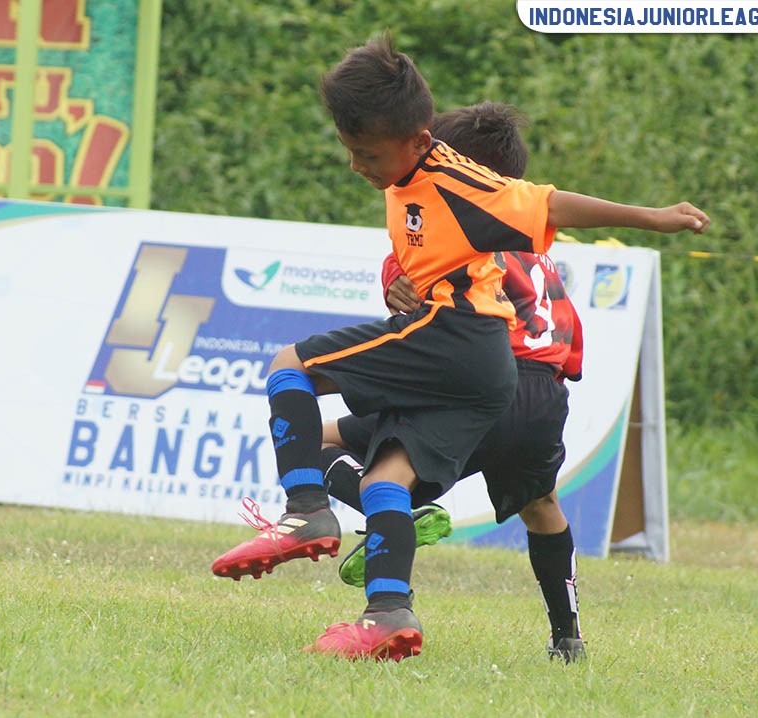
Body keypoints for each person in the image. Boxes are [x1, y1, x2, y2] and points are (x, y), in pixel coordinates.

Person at [211, 34, 709, 663]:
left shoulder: (464, 188)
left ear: (429, 144)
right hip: (536, 390)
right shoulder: (433, 197)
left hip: (466, 348)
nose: (357, 166)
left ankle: (310, 510)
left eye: (366, 154)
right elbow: (564, 343)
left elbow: (549, 204)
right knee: (437, 486)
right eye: (351, 150)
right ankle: (409, 614)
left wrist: (654, 216)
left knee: (296, 377)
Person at [320, 101, 590, 663]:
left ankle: (391, 542)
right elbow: (568, 340)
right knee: (542, 505)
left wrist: (393, 280)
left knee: (321, 440)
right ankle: (567, 637)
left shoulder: (457, 226)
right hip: (545, 395)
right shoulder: (538, 248)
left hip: (480, 383)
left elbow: (431, 302)